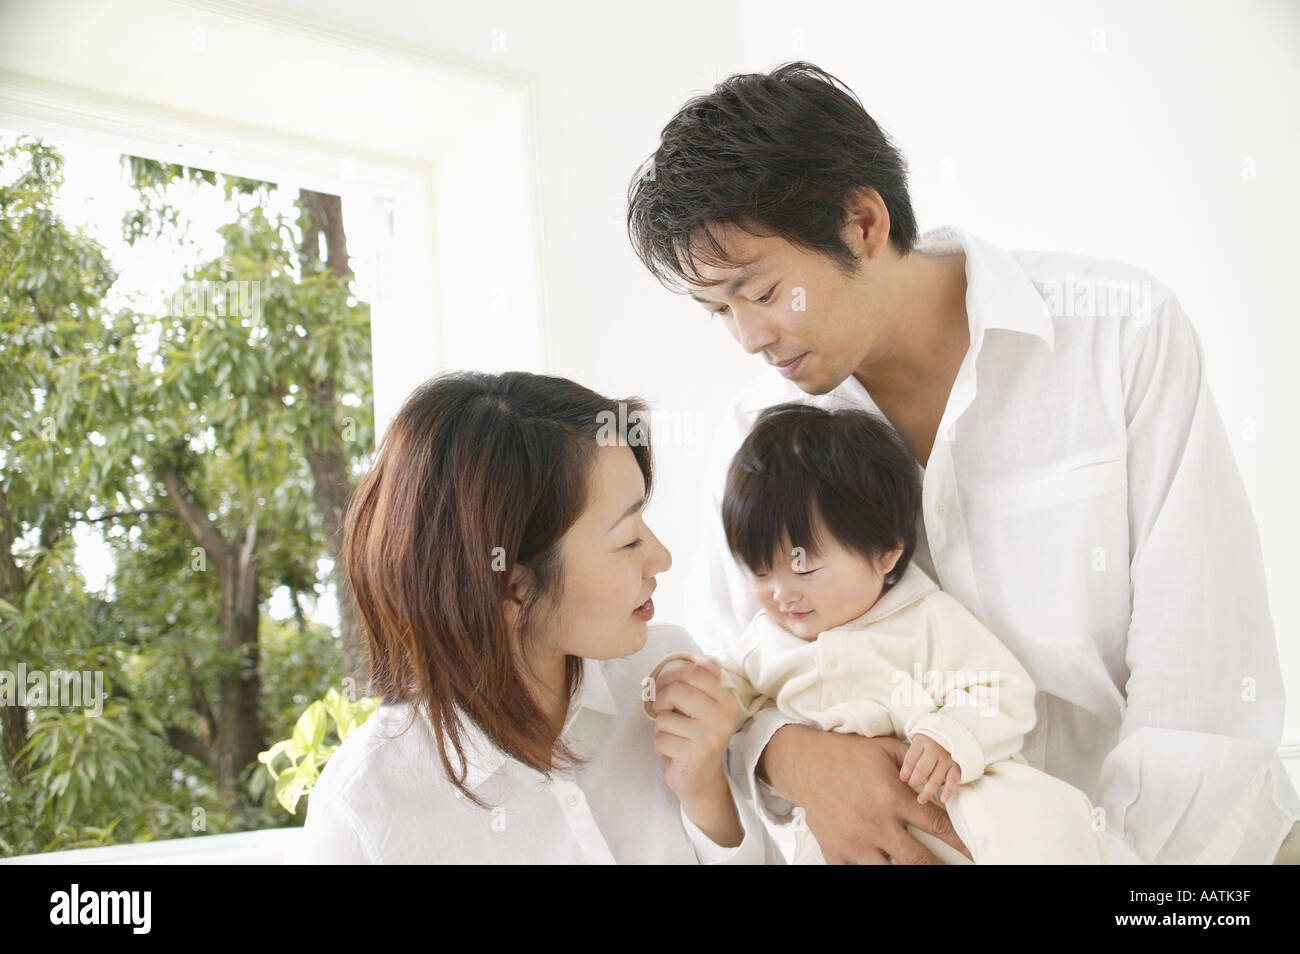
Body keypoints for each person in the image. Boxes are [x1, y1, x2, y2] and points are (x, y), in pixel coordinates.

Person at [626, 61, 1300, 865]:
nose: (748, 337)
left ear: (864, 223)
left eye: (763, 292)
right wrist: (786, 753)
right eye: (719, 312)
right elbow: (728, 674)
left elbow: (1203, 690)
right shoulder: (757, 434)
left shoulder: (1119, 335)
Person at [287, 371, 782, 864]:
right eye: (628, 539)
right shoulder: (365, 814)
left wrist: (706, 795)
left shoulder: (667, 678)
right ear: (510, 588)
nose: (662, 557)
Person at [641, 402, 1107, 864]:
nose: (782, 594)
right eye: (761, 571)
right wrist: (684, 682)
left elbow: (1001, 687)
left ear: (885, 553)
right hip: (841, 832)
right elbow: (724, 697)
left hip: (959, 799)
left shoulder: (924, 618)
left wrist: (951, 735)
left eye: (805, 567)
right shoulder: (765, 644)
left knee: (1041, 819)